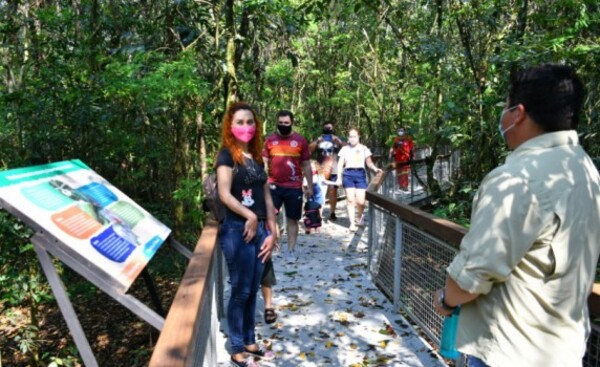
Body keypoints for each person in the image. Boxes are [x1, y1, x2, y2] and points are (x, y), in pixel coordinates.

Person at [433, 64, 600, 367]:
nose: (503, 116)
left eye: (505, 107)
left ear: (518, 113)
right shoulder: (584, 168)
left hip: (511, 352)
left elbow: (471, 278)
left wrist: (446, 299)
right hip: (565, 349)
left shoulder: (516, 179)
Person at [216, 102, 277, 367]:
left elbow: (266, 197)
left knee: (253, 289)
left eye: (249, 121)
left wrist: (272, 232)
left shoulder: (256, 156)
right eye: (239, 122)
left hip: (261, 230)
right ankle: (237, 346)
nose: (245, 126)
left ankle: (251, 341)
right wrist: (249, 215)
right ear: (230, 126)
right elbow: (224, 193)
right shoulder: (226, 155)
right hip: (236, 230)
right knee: (240, 290)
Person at [263, 109, 313, 261]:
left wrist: (310, 186)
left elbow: (306, 165)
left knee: (292, 219)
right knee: (271, 217)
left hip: (294, 186)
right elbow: (264, 162)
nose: (283, 125)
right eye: (280, 123)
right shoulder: (270, 140)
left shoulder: (300, 141)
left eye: (286, 123)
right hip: (273, 186)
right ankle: (275, 245)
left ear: (291, 123)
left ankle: (291, 250)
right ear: (277, 123)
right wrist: (262, 182)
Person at [335, 128, 382, 231]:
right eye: (350, 136)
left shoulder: (364, 148)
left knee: (361, 201)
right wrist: (338, 177)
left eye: (354, 136)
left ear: (358, 137)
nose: (352, 139)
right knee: (350, 200)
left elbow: (369, 162)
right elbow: (340, 164)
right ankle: (352, 223)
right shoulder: (344, 149)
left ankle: (359, 217)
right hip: (348, 174)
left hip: (360, 173)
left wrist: (375, 169)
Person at [309, 120, 345, 220]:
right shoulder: (319, 139)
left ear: (333, 129)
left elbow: (347, 148)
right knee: (320, 192)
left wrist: (338, 140)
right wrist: (317, 141)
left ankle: (332, 212)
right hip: (321, 169)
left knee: (333, 192)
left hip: (334, 169)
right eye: (326, 128)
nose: (328, 130)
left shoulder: (337, 139)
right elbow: (308, 150)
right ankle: (318, 214)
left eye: (330, 128)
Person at [388, 127, 414, 192]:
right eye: (399, 131)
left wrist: (412, 156)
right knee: (399, 173)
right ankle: (401, 186)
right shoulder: (396, 139)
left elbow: (412, 148)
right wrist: (390, 154)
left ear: (404, 132)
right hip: (398, 159)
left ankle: (405, 186)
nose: (400, 132)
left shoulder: (408, 139)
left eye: (401, 131)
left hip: (406, 159)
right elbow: (393, 147)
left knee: (405, 173)